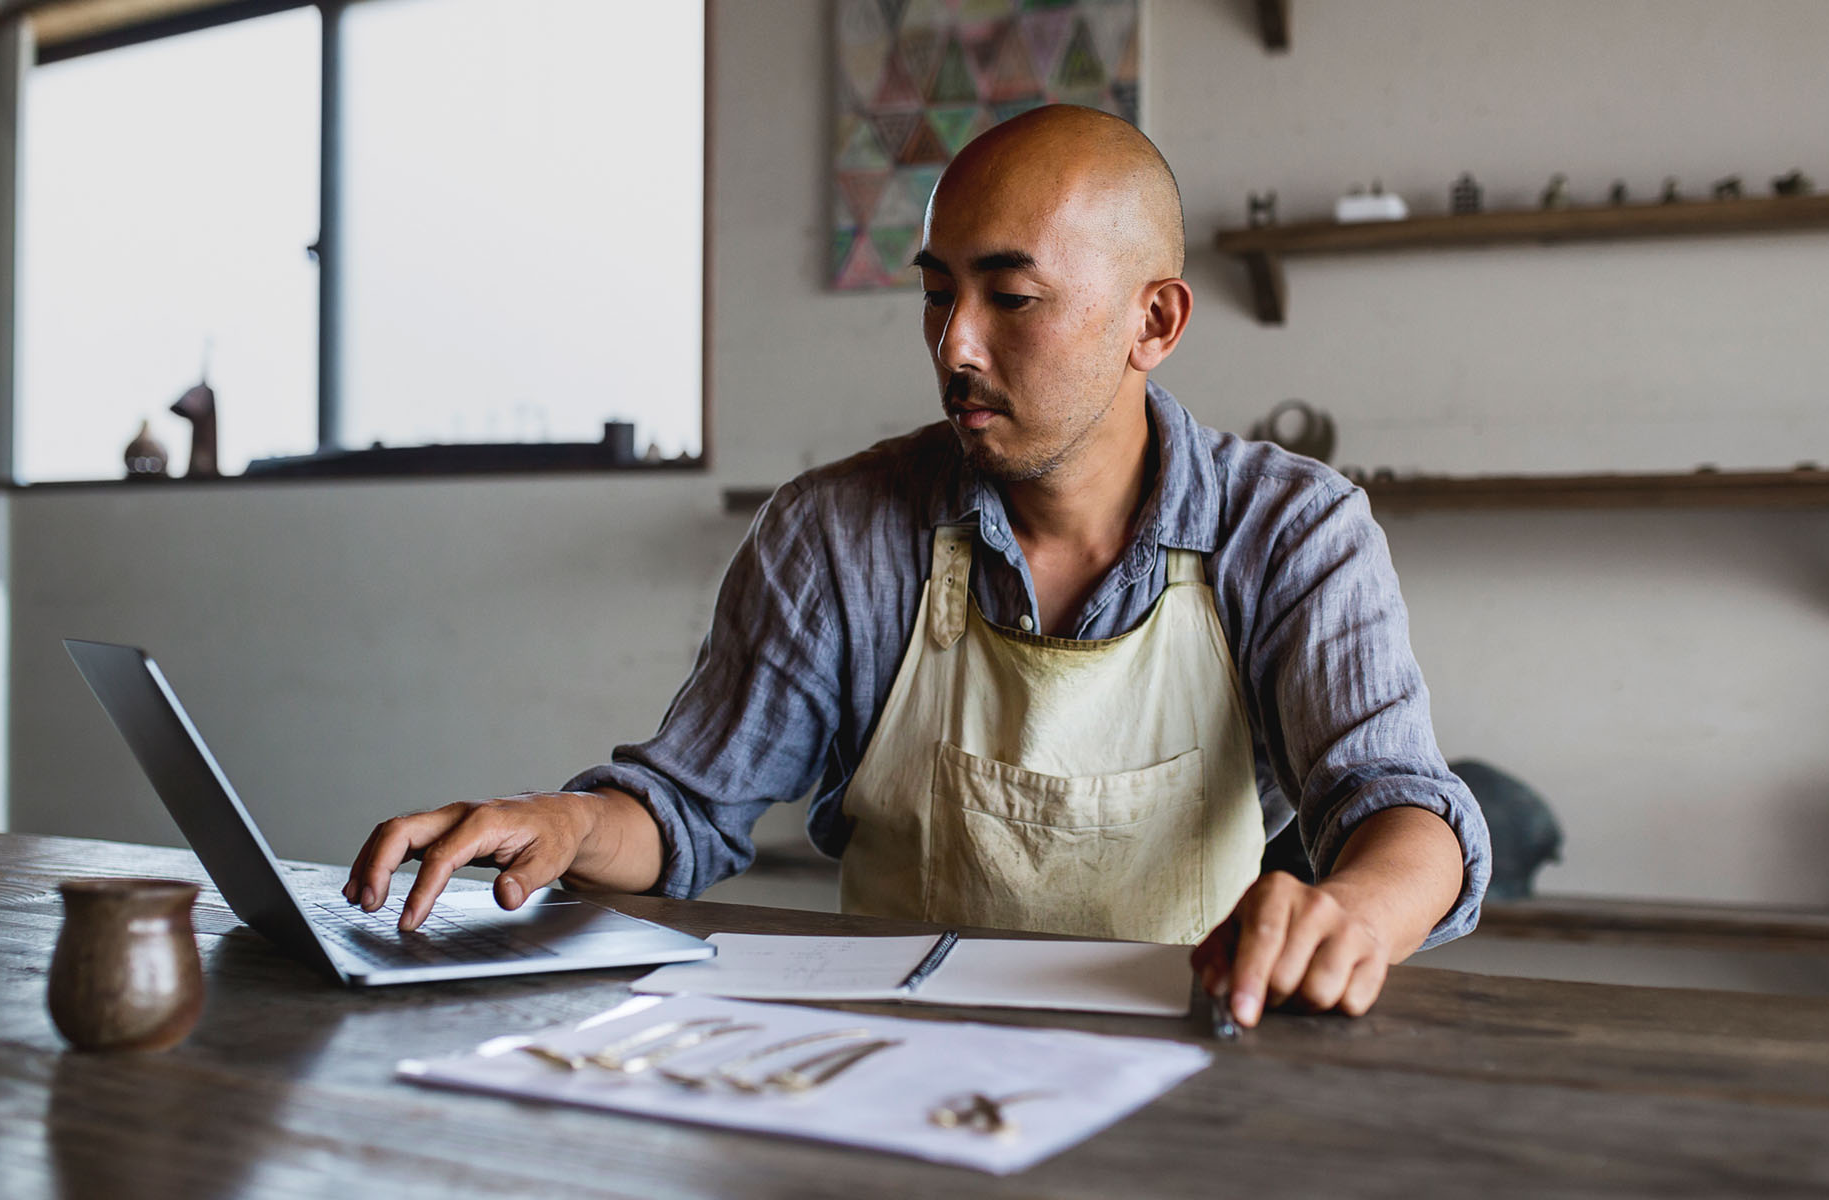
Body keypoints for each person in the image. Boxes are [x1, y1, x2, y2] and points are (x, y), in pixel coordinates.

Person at [345, 106, 1489, 1026]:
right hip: (884, 1066)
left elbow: (1398, 804)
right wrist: (560, 825)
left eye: (1013, 297)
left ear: (1156, 320)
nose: (955, 345)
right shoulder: (839, 531)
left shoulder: (1291, 530)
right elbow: (687, 810)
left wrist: (1354, 914)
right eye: (938, 291)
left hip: (1183, 1056)